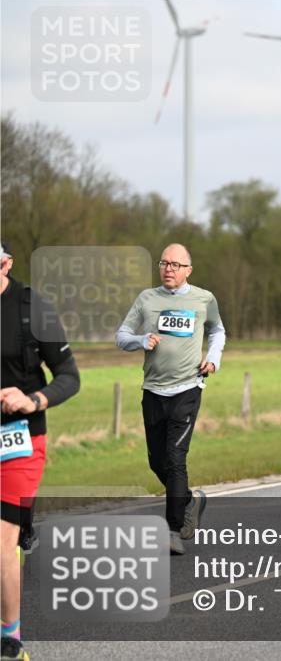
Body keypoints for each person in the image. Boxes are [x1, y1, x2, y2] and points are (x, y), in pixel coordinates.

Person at [116, 244, 225, 556]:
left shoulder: (204, 299)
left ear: (188, 270)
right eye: (164, 263)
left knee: (176, 460)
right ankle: (189, 500)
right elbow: (121, 335)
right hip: (153, 390)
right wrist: (140, 340)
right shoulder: (146, 299)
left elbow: (217, 331)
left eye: (176, 264)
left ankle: (174, 530)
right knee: (157, 461)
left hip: (187, 389)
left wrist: (213, 358)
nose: (169, 269)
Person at [2, 242, 81, 661]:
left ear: (6, 264)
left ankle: (9, 640)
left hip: (20, 437)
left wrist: (33, 400)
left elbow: (69, 376)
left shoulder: (34, 309)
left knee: (1, 543)